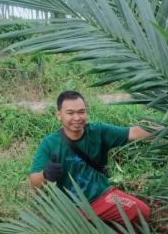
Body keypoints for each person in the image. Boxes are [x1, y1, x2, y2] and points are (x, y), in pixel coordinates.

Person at [29, 90, 151, 225]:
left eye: (81, 112)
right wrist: (46, 174)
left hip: (103, 197)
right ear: (59, 115)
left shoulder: (98, 131)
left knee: (142, 212)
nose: (77, 118)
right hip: (71, 208)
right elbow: (34, 183)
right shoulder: (49, 143)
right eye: (70, 113)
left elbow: (133, 132)